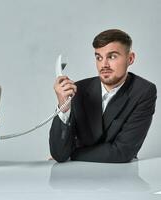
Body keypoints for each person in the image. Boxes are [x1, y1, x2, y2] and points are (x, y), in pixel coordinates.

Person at [50, 29, 157, 163]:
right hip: (78, 176)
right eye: (99, 57)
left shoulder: (143, 91)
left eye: (112, 56)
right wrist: (63, 107)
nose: (104, 65)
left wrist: (72, 154)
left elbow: (122, 152)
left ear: (130, 59)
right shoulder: (78, 90)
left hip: (121, 176)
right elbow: (59, 154)